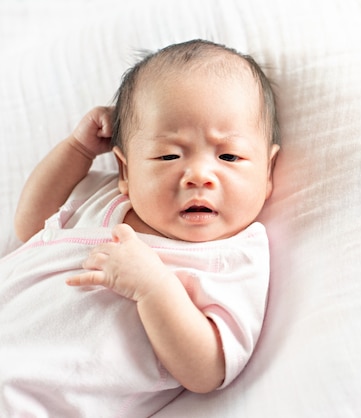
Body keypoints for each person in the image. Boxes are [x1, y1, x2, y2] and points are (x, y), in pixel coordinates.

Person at [0, 39, 280, 416]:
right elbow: (29, 224)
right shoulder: (104, 196)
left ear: (267, 172)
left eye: (229, 156)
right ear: (127, 171)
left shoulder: (231, 257)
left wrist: (153, 286)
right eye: (168, 155)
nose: (199, 174)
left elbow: (208, 369)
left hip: (35, 399)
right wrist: (78, 151)